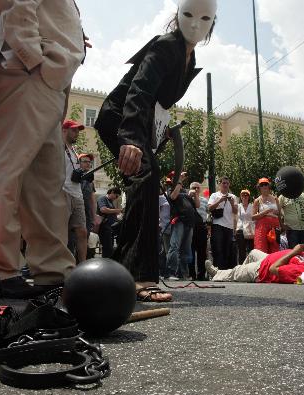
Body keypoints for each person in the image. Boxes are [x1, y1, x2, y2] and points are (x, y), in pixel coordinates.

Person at [93, 0, 217, 302]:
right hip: (120, 119)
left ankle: (124, 274)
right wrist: (133, 139)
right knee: (145, 177)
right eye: (188, 15)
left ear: (212, 24)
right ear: (177, 16)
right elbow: (140, 90)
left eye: (204, 19)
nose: (195, 24)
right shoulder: (165, 46)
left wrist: (151, 137)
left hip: (142, 125)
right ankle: (135, 278)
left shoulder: (189, 57)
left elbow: (158, 106)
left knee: (147, 179)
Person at [0, 0, 86, 298]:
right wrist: (35, 59)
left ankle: (52, 271)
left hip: (46, 80)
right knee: (7, 171)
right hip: (30, 73)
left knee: (45, 184)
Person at [205, 244, 304, 284]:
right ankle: (238, 275)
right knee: (253, 252)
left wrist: (294, 251)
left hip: (262, 270)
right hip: (268, 257)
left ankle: (219, 274)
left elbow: (274, 269)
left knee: (237, 271)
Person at [61, 119, 88, 263]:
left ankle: (82, 266)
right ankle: (60, 264)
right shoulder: (58, 147)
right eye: (73, 130)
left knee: (82, 232)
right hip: (62, 192)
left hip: (77, 194)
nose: (76, 133)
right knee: (61, 233)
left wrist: (83, 175)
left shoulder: (74, 150)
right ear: (63, 130)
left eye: (78, 130)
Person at [208, 176, 238, 270]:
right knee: (217, 249)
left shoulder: (233, 196)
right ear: (219, 184)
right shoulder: (214, 195)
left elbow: (236, 211)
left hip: (229, 226)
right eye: (223, 183)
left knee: (228, 250)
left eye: (227, 183)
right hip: (217, 225)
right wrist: (220, 200)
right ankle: (217, 270)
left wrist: (232, 203)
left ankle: (225, 272)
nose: (225, 185)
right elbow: (209, 208)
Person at [252, 177, 281, 253]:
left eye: (266, 184)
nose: (264, 186)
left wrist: (277, 213)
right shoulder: (257, 200)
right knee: (261, 249)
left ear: (269, 186)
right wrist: (266, 212)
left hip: (274, 226)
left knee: (275, 250)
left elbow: (280, 213)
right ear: (259, 187)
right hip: (262, 226)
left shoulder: (275, 199)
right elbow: (253, 217)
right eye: (262, 185)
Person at [188, 181, 208, 280]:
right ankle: (191, 274)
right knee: (190, 251)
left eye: (197, 188)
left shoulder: (204, 200)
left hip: (202, 227)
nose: (196, 190)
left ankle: (201, 275)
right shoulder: (186, 198)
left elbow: (208, 212)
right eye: (194, 188)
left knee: (202, 252)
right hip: (190, 227)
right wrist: (190, 196)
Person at [97, 187, 122, 259]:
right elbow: (103, 209)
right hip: (105, 227)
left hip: (110, 228)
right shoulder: (102, 198)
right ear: (112, 192)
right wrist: (117, 210)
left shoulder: (110, 201)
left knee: (110, 248)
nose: (116, 198)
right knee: (108, 248)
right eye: (116, 196)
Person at [78, 153, 97, 235]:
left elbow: (92, 200)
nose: (88, 163)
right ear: (79, 163)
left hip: (87, 217)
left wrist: (93, 217)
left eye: (89, 162)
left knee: (85, 238)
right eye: (85, 161)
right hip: (75, 215)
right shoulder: (72, 178)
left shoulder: (90, 181)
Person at [235, 189, 255, 264]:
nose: (245, 196)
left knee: (251, 251)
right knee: (241, 251)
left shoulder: (252, 206)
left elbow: (254, 218)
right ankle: (241, 268)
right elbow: (236, 218)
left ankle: (251, 267)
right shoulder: (238, 206)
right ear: (240, 197)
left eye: (246, 195)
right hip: (240, 230)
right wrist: (235, 229)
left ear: (249, 197)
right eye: (243, 195)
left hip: (250, 230)